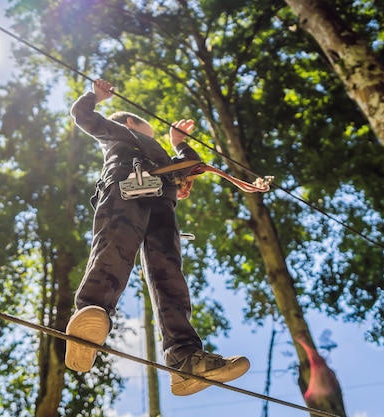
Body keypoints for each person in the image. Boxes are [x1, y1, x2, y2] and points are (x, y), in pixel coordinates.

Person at [65, 79, 249, 396]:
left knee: (169, 273)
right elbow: (82, 114)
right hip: (125, 185)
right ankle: (89, 316)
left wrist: (178, 142)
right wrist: (95, 96)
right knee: (116, 244)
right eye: (143, 123)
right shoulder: (117, 132)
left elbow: (188, 167)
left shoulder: (162, 154)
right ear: (131, 122)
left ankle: (185, 359)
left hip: (161, 203)